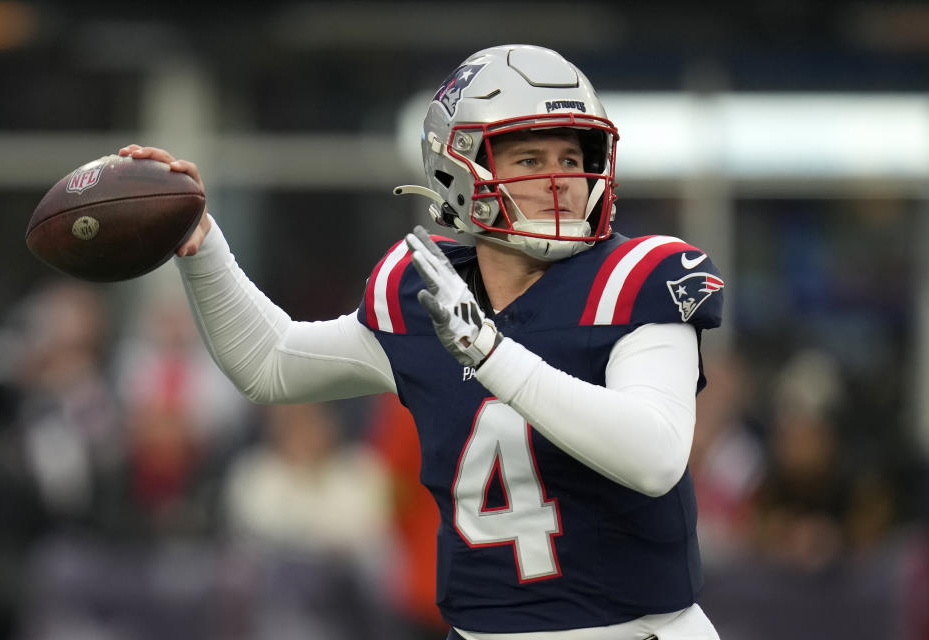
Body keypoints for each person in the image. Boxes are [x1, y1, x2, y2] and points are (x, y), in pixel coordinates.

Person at [118, 44, 725, 639]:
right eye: (530, 159)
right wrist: (203, 245)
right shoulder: (422, 292)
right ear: (458, 168)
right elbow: (271, 364)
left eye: (572, 157)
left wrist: (490, 353)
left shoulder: (639, 277)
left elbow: (655, 457)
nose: (561, 180)